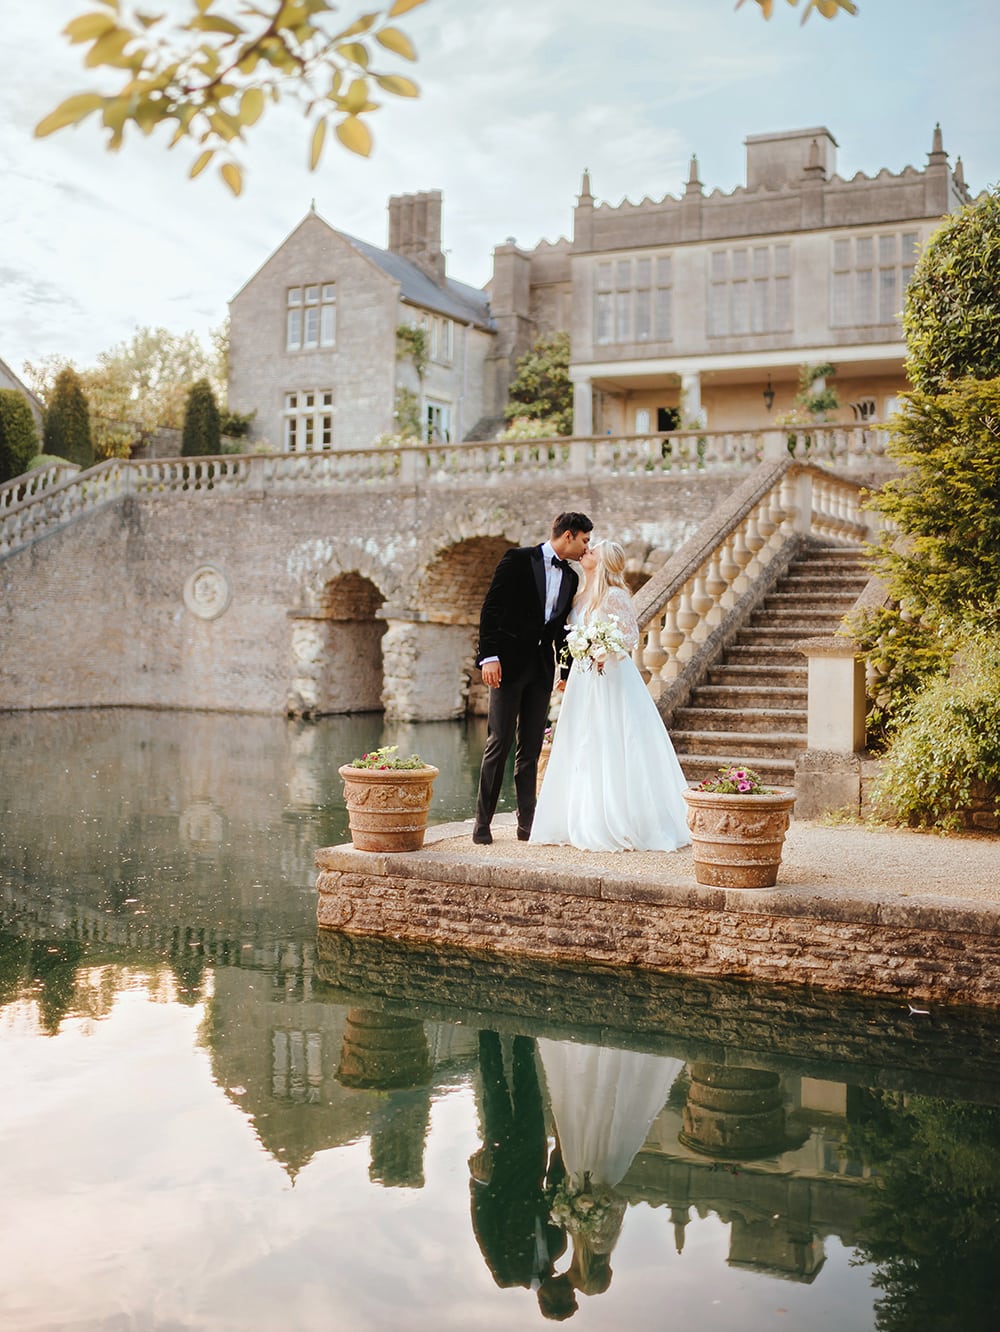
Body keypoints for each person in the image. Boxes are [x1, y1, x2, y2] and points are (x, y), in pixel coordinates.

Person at [530, 539, 691, 853]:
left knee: (613, 740)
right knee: (582, 740)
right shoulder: (578, 594)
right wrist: (569, 666)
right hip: (582, 677)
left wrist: (604, 648)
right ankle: (579, 815)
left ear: (603, 562)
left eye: (593, 551)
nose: (586, 552)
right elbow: (569, 637)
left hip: (610, 676)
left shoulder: (615, 595)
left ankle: (620, 819)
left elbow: (630, 635)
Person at [473, 512, 593, 845]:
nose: (587, 547)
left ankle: (527, 824)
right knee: (499, 743)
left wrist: (565, 672)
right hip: (507, 668)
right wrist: (489, 657)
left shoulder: (570, 577)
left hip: (541, 671)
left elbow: (563, 632)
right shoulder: (517, 559)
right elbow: (491, 608)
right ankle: (482, 823)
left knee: (531, 749)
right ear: (568, 536)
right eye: (584, 540)